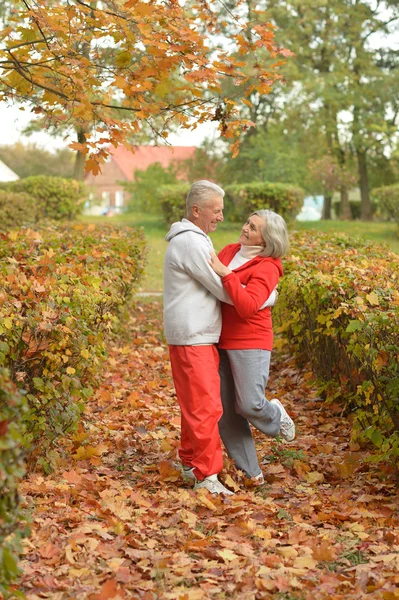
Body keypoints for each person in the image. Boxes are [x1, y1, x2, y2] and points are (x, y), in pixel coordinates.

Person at [208, 209, 295, 484]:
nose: (245, 228)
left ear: (266, 240)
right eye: (247, 222)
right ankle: (251, 473)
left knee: (249, 404)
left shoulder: (267, 266)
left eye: (254, 228)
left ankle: (276, 415)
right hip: (220, 338)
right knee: (225, 410)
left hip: (251, 340)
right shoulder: (230, 250)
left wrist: (226, 274)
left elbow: (246, 307)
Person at [163, 180, 236, 495]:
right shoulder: (192, 243)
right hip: (193, 336)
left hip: (191, 335)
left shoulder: (192, 239)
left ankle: (192, 466)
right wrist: (256, 294)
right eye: (216, 210)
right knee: (206, 406)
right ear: (196, 210)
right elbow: (222, 288)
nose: (221, 217)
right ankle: (207, 477)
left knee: (193, 406)